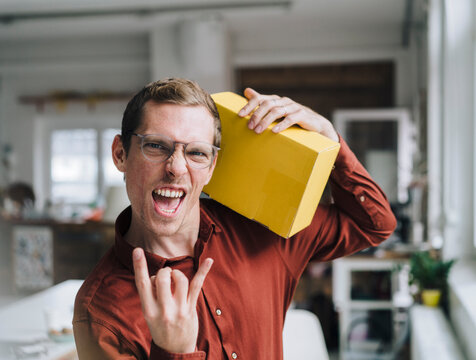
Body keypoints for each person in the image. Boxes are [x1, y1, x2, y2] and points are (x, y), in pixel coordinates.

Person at [73, 78, 396, 359]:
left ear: (212, 166)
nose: (176, 167)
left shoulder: (265, 232)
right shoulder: (100, 311)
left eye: (196, 152)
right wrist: (174, 352)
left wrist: (329, 139)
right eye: (156, 146)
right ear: (120, 154)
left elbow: (374, 223)